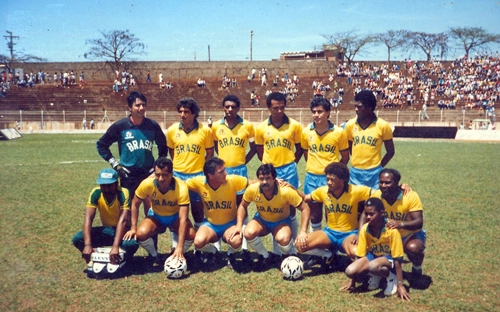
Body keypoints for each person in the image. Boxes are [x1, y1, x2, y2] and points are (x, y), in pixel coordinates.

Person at [293, 162, 371, 270]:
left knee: (355, 252)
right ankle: (329, 256)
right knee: (300, 245)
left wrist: (401, 188)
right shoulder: (323, 191)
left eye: (332, 179)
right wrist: (291, 188)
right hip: (329, 233)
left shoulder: (356, 191)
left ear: (342, 180)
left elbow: (379, 194)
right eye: (327, 179)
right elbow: (306, 198)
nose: (329, 182)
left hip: (349, 234)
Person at [233, 164, 310, 271]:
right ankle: (266, 256)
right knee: (248, 232)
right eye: (261, 179)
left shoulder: (285, 191)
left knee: (283, 238)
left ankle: (284, 256)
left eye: (268, 178)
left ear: (274, 178)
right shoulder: (252, 189)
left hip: (281, 222)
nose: (264, 182)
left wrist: (303, 231)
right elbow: (242, 205)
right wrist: (238, 225)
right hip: (262, 221)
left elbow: (305, 208)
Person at [96, 90, 168, 200]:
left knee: (151, 207)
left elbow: (163, 146)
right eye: (137, 105)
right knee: (127, 209)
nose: (141, 108)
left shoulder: (152, 125)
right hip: (127, 175)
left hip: (149, 173)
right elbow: (101, 145)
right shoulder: (120, 126)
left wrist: (157, 166)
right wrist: (115, 165)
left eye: (143, 105)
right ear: (130, 107)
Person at [255, 91, 303, 255]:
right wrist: (270, 168)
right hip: (269, 171)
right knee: (272, 205)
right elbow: (259, 150)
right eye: (275, 108)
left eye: (282, 107)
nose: (279, 111)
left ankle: (294, 247)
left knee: (291, 207)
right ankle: (277, 250)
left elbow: (300, 149)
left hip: (289, 169)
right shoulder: (261, 128)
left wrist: (290, 163)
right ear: (269, 107)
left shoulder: (294, 125)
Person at [122, 157, 195, 264]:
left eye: (165, 175)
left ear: (171, 174)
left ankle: (176, 253)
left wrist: (180, 247)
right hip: (156, 216)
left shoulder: (181, 187)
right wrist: (133, 227)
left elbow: (183, 218)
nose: (161, 179)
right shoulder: (147, 183)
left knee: (191, 235)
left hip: (175, 217)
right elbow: (134, 204)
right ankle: (154, 255)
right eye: (157, 175)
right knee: (141, 234)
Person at [212, 94, 257, 257]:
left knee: (241, 207)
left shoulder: (248, 126)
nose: (230, 109)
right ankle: (216, 248)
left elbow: (254, 148)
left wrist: (243, 161)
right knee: (218, 205)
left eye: (233, 107)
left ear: (238, 108)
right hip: (222, 172)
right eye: (227, 106)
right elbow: (216, 146)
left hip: (240, 171)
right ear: (223, 108)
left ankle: (243, 247)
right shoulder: (216, 126)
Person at [167, 97, 214, 248]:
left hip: (197, 176)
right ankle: (175, 246)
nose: (182, 115)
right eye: (180, 111)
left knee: (198, 212)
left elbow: (210, 153)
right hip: (178, 176)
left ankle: (201, 247)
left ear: (194, 113)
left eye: (186, 111)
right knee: (178, 214)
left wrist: (200, 170)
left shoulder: (205, 130)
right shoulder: (172, 130)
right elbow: (172, 152)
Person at [72, 168, 139, 275]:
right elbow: (88, 218)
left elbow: (123, 220)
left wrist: (115, 246)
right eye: (103, 185)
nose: (106, 188)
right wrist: (87, 244)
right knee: (78, 238)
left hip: (121, 231)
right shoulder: (96, 192)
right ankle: (92, 258)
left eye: (109, 185)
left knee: (132, 244)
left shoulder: (123, 192)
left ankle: (124, 259)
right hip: (106, 230)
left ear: (116, 183)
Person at [342, 197, 410, 301]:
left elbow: (397, 259)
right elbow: (359, 255)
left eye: (372, 214)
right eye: (366, 214)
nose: (368, 217)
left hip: (388, 259)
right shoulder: (365, 228)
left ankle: (392, 278)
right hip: (374, 257)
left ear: (382, 213)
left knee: (373, 265)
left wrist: (401, 285)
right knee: (350, 271)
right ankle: (376, 275)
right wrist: (352, 281)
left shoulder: (392, 230)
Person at [186, 158, 248, 269]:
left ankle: (230, 254)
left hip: (229, 224)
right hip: (211, 225)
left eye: (224, 170)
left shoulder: (232, 180)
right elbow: (180, 183)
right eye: (221, 172)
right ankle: (214, 252)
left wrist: (275, 181)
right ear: (210, 175)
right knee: (198, 242)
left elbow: (251, 183)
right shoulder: (199, 183)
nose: (225, 173)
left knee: (237, 241)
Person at [371, 168, 426, 286]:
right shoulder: (376, 195)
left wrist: (400, 224)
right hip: (388, 237)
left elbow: (419, 222)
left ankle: (417, 269)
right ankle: (385, 271)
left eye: (388, 182)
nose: (383, 185)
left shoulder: (410, 196)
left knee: (414, 248)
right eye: (381, 182)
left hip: (408, 235)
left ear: (397, 183)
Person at [344, 90, 395, 189]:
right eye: (355, 106)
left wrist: (379, 167)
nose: (356, 109)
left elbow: (391, 151)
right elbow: (349, 147)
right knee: (357, 203)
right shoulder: (350, 124)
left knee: (374, 202)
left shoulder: (383, 125)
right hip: (355, 172)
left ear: (369, 108)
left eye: (359, 107)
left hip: (375, 173)